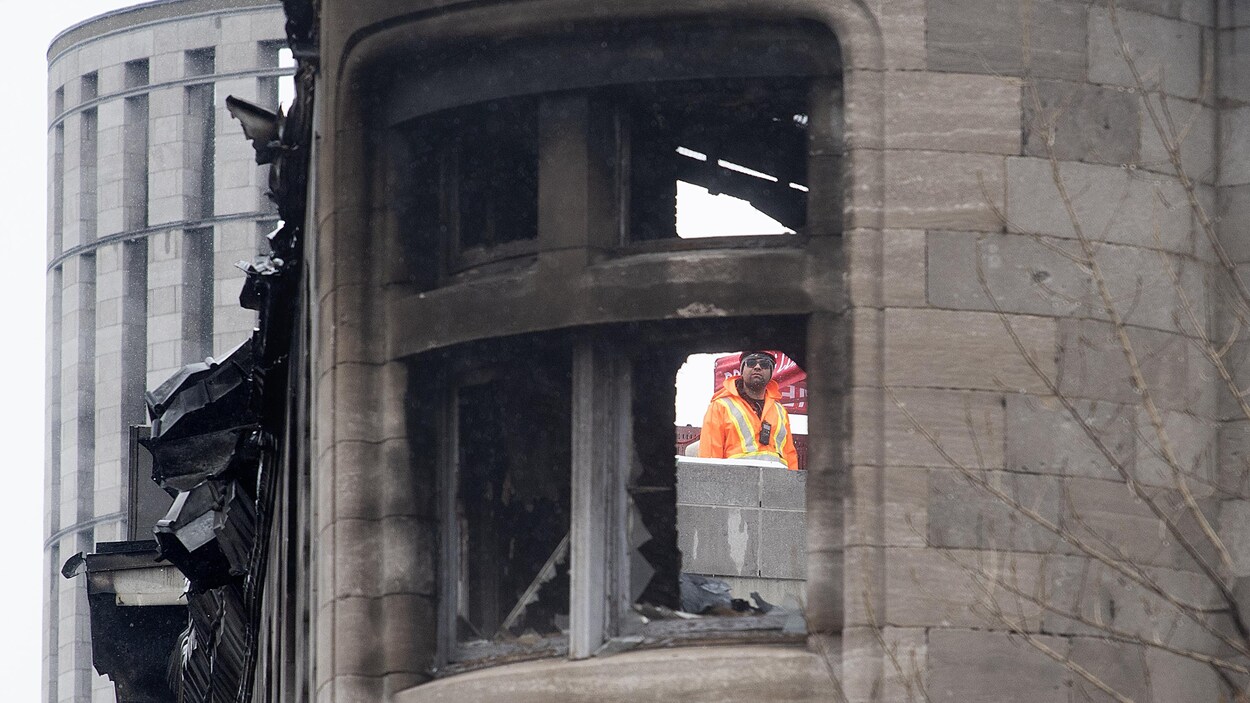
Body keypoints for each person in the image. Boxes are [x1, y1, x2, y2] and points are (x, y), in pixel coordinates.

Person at [698, 350, 800, 470]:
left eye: (764, 364)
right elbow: (709, 457)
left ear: (771, 373)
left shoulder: (781, 412)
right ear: (742, 370)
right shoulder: (720, 406)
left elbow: (790, 456)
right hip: (735, 485)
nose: (757, 367)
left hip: (775, 486)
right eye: (751, 363)